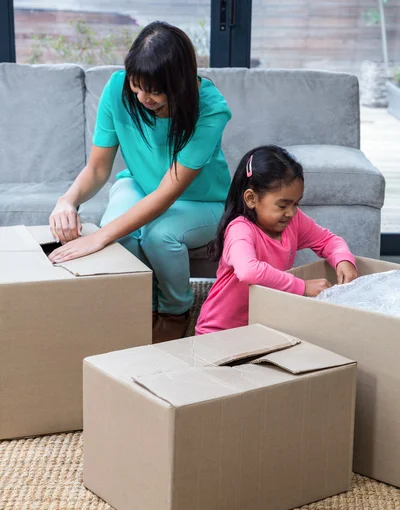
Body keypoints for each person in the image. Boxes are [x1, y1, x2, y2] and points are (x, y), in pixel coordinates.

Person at [48, 21, 231, 343]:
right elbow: (97, 169)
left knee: (159, 236)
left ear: (182, 82)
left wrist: (99, 237)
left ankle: (176, 308)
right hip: (138, 184)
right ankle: (142, 305)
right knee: (122, 231)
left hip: (202, 200)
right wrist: (67, 201)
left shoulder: (211, 109)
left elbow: (166, 194)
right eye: (137, 85)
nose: (143, 97)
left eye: (156, 90)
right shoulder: (118, 90)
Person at [196, 145, 358, 335]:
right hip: (219, 330)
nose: (291, 212)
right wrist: (303, 286)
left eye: (296, 203)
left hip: (262, 326)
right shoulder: (239, 229)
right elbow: (248, 271)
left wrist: (343, 259)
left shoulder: (293, 221)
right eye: (282, 205)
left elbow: (328, 240)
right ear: (251, 199)